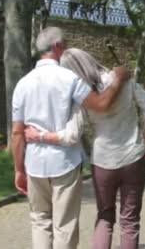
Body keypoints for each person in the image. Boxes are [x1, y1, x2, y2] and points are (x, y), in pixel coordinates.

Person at [25, 48, 145, 249]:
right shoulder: (121, 79)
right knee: (130, 220)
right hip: (133, 156)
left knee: (105, 217)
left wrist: (41, 135)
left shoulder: (82, 95)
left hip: (103, 161)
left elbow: (71, 135)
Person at [11, 27, 130, 249]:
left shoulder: (22, 84)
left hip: (34, 163)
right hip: (65, 162)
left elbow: (17, 133)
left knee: (39, 220)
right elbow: (101, 105)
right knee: (64, 224)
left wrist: (19, 169)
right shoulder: (69, 79)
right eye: (64, 44)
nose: (65, 48)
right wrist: (118, 81)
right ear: (57, 46)